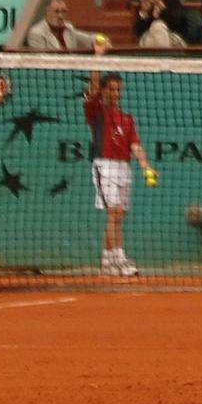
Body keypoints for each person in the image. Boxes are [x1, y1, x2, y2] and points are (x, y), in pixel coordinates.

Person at [83, 70, 147, 277]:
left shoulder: (127, 119)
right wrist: (97, 58)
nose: (115, 93)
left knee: (117, 217)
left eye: (118, 89)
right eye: (110, 89)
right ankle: (120, 260)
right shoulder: (96, 113)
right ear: (103, 91)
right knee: (114, 213)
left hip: (124, 168)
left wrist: (146, 166)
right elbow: (92, 89)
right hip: (105, 165)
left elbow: (135, 145)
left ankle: (107, 260)